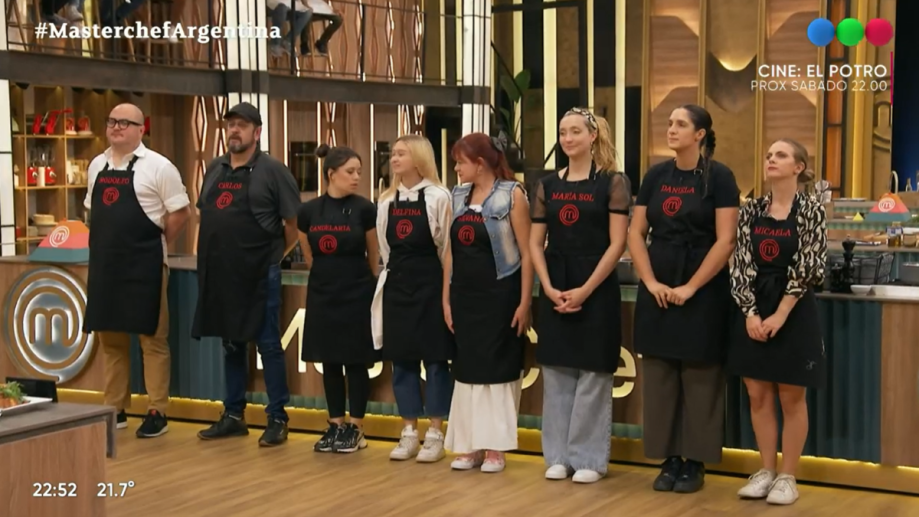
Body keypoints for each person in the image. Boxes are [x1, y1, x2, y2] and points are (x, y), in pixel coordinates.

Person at [628, 104, 739, 493]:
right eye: (670, 123)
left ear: (700, 134)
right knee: (660, 376)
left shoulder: (720, 176)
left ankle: (695, 461)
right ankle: (669, 458)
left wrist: (691, 286)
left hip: (703, 287)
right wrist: (650, 281)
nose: (671, 129)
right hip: (658, 282)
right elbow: (635, 233)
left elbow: (726, 239)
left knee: (700, 376)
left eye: (680, 124)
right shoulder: (656, 175)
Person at [529, 108, 630, 483]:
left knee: (593, 372)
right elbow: (535, 243)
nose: (567, 138)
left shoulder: (613, 183)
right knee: (556, 371)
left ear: (592, 136)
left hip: (596, 285)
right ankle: (557, 456)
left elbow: (618, 243)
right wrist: (547, 286)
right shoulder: (546, 185)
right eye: (562, 132)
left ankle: (588, 459)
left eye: (574, 132)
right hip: (556, 281)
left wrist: (586, 289)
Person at [194, 102, 301, 447]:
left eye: (241, 125)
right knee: (231, 343)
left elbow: (293, 225)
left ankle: (278, 418)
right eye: (230, 125)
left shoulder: (273, 170)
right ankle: (233, 415)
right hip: (222, 272)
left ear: (257, 132)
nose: (234, 130)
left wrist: (274, 258)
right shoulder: (215, 168)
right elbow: (206, 216)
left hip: (260, 273)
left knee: (268, 343)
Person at [728, 138, 827, 505]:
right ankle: (766, 471)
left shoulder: (811, 210)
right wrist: (751, 313)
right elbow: (740, 263)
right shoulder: (751, 209)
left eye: (780, 155)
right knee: (757, 393)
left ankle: (788, 477)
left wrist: (781, 313)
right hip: (755, 305)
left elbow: (809, 265)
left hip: (794, 307)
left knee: (791, 395)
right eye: (769, 155)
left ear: (798, 167)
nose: (771, 159)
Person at [83, 103, 191, 438]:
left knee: (152, 340)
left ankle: (158, 410)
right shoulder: (96, 165)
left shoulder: (159, 167)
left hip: (145, 266)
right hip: (105, 265)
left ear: (141, 129)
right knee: (111, 341)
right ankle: (114, 409)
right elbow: (91, 212)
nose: (116, 127)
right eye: (112, 121)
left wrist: (153, 245)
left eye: (125, 123)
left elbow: (180, 213)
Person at [443, 133, 533, 473]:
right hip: (464, 295)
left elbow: (527, 253)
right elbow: (449, 253)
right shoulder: (457, 196)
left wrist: (524, 302)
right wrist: (446, 299)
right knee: (467, 371)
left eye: (460, 162)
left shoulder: (512, 195)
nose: (456, 168)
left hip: (500, 295)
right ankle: (470, 445)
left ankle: (496, 447)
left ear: (479, 164)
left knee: (497, 370)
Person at [371, 135, 455, 462]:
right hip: (397, 287)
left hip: (431, 286)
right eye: (393, 154)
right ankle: (408, 432)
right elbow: (385, 247)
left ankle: (435, 433)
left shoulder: (439, 197)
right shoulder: (386, 201)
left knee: (435, 360)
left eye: (401, 154)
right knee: (402, 361)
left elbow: (446, 249)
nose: (394, 159)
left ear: (419, 158)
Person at [298, 144, 380, 454]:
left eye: (359, 171)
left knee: (356, 361)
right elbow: (308, 253)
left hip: (357, 291)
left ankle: (356, 428)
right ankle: (335, 425)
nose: (357, 177)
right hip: (323, 291)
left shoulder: (365, 208)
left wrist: (366, 284)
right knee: (329, 360)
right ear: (331, 174)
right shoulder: (308, 211)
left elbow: (373, 254)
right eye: (350, 171)